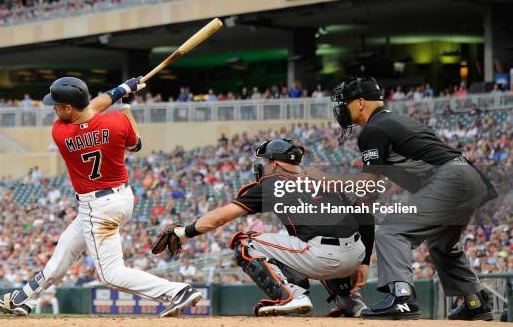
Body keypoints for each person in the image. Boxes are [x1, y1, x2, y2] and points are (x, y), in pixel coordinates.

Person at [0, 76, 202, 317]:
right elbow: (136, 145)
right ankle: (22, 298)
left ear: (69, 108)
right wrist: (126, 103)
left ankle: (177, 291)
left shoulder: (60, 132)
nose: (54, 109)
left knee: (110, 274)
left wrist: (120, 90)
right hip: (121, 198)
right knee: (64, 252)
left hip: (98, 206)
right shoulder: (117, 121)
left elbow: (92, 108)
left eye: (57, 105)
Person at [305, 77, 497, 320]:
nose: (342, 108)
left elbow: (366, 182)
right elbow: (369, 194)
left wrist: (324, 178)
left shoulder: (374, 129)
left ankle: (402, 298)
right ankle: (475, 300)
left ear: (361, 102)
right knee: (441, 245)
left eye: (346, 102)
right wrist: (364, 259)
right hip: (470, 178)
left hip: (452, 179)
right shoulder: (392, 121)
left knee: (392, 230)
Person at [153, 139, 373, 317]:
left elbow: (219, 218)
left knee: (244, 242)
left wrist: (184, 233)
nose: (262, 166)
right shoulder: (323, 179)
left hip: (323, 257)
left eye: (264, 161)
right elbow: (365, 213)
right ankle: (350, 302)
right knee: (315, 239)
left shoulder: (273, 183)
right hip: (355, 255)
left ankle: (292, 296)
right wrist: (363, 262)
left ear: (274, 163)